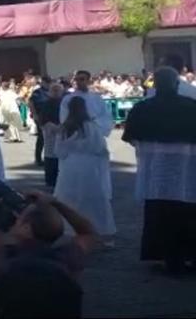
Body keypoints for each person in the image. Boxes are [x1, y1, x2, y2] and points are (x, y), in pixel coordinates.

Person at [122, 67, 196, 274]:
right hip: (188, 173)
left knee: (161, 215)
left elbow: (131, 137)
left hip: (156, 173)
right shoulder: (192, 107)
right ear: (177, 84)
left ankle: (168, 258)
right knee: (189, 214)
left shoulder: (142, 108)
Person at [0, 191, 97, 318]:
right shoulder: (68, 257)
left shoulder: (5, 259)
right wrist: (56, 204)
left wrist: (2, 225)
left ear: (26, 229)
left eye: (19, 221)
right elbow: (88, 233)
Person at [53, 97, 116, 242]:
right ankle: (97, 226)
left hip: (70, 165)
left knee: (70, 196)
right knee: (92, 196)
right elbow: (100, 148)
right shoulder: (92, 126)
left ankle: (69, 225)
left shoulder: (64, 128)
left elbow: (59, 151)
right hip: (89, 166)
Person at [60, 71, 114, 138]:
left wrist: (93, 125)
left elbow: (105, 115)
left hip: (94, 132)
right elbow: (63, 116)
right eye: (76, 79)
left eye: (82, 79)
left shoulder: (96, 98)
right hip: (75, 134)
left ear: (88, 81)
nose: (78, 82)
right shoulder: (68, 98)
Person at [40, 83, 65, 188]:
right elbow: (42, 117)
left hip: (62, 129)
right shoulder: (46, 103)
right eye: (53, 90)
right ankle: (50, 180)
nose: (55, 92)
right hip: (50, 130)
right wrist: (51, 126)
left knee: (61, 154)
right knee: (50, 154)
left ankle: (62, 178)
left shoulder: (64, 103)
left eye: (57, 90)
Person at [29, 76, 52, 165]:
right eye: (46, 82)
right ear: (42, 82)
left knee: (50, 138)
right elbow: (31, 103)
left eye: (49, 82)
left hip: (50, 116)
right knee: (41, 138)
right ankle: (38, 159)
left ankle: (50, 156)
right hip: (40, 117)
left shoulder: (51, 91)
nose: (47, 84)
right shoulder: (37, 92)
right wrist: (34, 114)